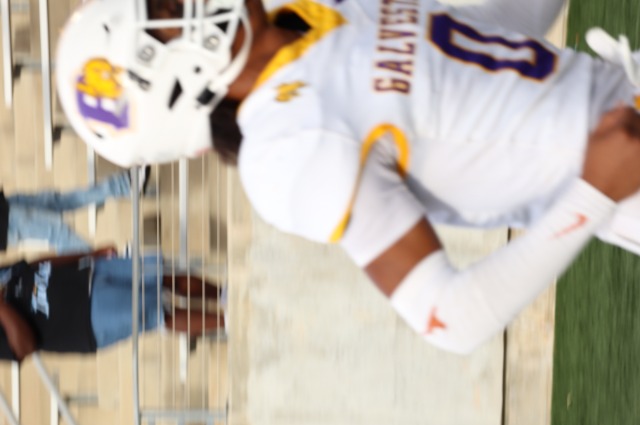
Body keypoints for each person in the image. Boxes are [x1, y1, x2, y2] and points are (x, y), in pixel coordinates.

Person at [54, 0, 640, 355]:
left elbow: (494, 31)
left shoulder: (303, 14)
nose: (184, 3)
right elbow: (449, 317)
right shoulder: (288, 148)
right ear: (168, 83)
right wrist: (594, 192)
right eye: (164, 12)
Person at [0, 248, 224, 362]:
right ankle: (229, 320)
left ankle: (225, 294)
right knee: (160, 314)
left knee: (162, 276)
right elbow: (25, 346)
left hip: (88, 272)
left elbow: (33, 265)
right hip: (86, 317)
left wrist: (90, 254)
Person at [0, 168, 150, 253]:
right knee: (59, 232)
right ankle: (114, 266)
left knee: (57, 201)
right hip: (5, 225)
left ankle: (125, 185)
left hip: (4, 206)